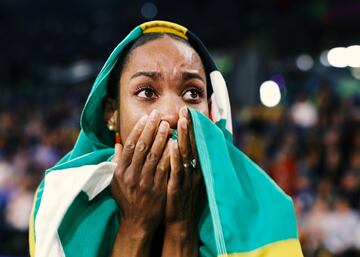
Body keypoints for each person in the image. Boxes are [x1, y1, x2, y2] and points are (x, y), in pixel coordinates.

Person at [29, 20, 303, 257]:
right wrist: (135, 224)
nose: (173, 114)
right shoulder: (62, 204)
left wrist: (180, 228)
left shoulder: (264, 210)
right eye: (147, 92)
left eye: (192, 94)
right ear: (112, 114)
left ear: (213, 113)